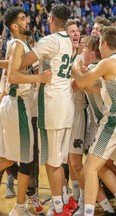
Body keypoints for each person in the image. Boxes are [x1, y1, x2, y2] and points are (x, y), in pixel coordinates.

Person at [15, 4, 78, 215]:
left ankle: (59, 208)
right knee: (58, 160)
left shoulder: (49, 41)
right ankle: (67, 200)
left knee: (51, 163)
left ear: (50, 18)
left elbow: (22, 62)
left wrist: (16, 48)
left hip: (53, 106)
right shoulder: (67, 41)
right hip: (66, 104)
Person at [73, 26, 116, 216]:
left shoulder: (107, 63)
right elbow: (96, 88)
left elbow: (82, 83)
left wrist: (76, 68)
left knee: (90, 169)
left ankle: (89, 212)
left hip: (114, 121)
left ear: (105, 44)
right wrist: (85, 76)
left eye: (100, 43)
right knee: (96, 167)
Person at [0, 6, 51, 215]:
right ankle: (19, 207)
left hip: (15, 104)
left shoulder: (18, 44)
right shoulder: (18, 44)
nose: (27, 20)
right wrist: (39, 78)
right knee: (25, 160)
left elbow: (11, 66)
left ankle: (20, 206)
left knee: (10, 158)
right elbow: (13, 76)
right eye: (22, 19)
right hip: (18, 104)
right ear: (14, 26)